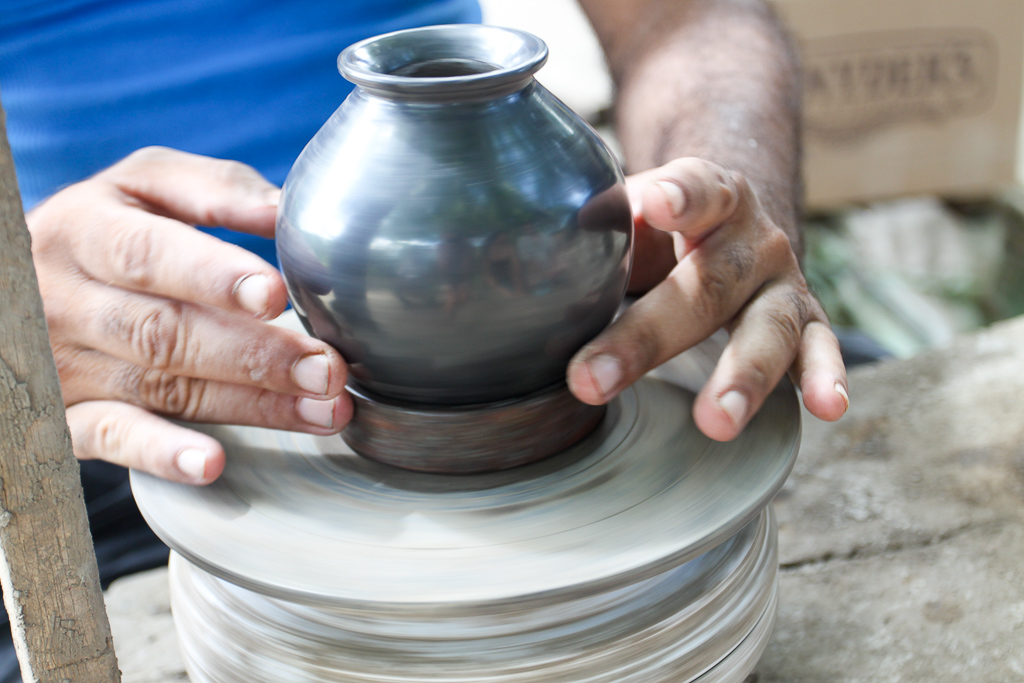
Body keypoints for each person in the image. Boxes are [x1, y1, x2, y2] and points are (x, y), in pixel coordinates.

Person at [0, 0, 848, 678]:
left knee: (820, 399)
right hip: (105, 377)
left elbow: (684, 17)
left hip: (573, 323)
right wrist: (15, 302)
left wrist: (715, 222)